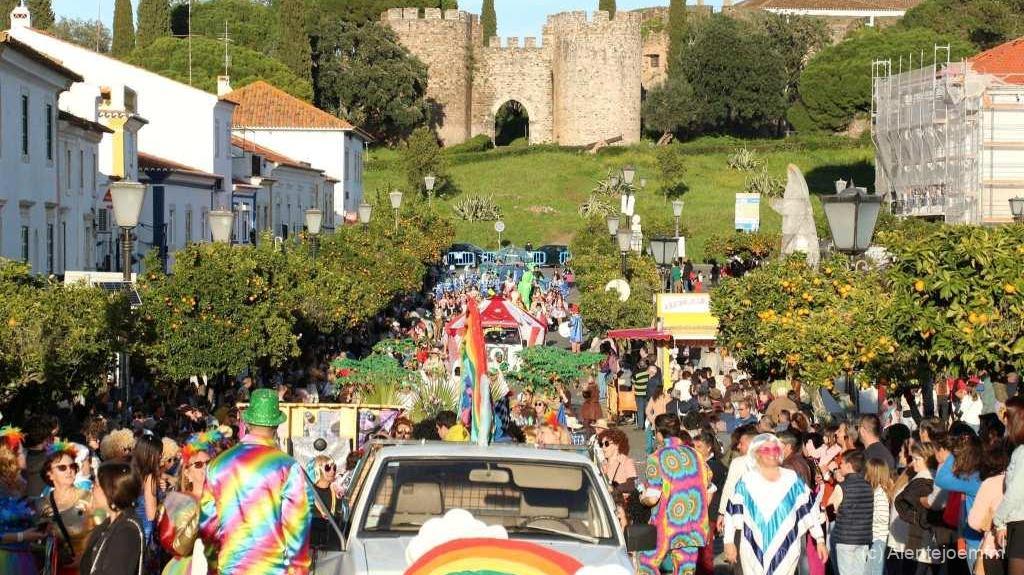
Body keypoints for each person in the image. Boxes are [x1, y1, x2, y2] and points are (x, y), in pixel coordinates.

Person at [200, 388, 314, 575]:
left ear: (247, 422)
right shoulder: (287, 467)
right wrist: (299, 569)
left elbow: (208, 526)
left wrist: (213, 565)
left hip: (229, 568)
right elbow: (297, 527)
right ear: (276, 426)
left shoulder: (218, 465)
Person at [723, 433, 827, 575]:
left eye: (775, 449)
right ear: (756, 454)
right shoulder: (746, 481)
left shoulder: (792, 479)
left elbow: (809, 510)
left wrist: (819, 539)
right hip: (752, 551)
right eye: (766, 450)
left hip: (787, 550)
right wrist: (728, 542)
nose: (772, 453)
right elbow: (731, 512)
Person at [638, 414, 711, 575]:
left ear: (658, 434)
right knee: (686, 570)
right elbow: (708, 483)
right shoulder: (696, 455)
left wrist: (642, 498)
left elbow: (652, 498)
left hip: (666, 525)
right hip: (693, 525)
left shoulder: (656, 458)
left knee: (647, 565)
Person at [157, 429, 224, 575]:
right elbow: (180, 547)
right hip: (188, 568)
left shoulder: (222, 497)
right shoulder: (181, 500)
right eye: (198, 465)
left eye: (208, 462)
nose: (205, 468)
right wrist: (205, 509)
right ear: (187, 473)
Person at [79, 461, 145, 575]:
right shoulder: (109, 522)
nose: (92, 488)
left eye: (96, 485)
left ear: (111, 491)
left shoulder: (126, 532)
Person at [38, 441, 94, 575]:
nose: (69, 470)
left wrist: (85, 557)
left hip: (85, 568)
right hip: (57, 569)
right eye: (62, 467)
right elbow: (37, 540)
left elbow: (105, 531)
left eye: (72, 466)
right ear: (49, 474)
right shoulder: (42, 504)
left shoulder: (90, 497)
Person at [0, 443, 46, 574]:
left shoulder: (21, 484)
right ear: (9, 458)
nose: (26, 455)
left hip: (25, 556)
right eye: (21, 452)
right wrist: (22, 536)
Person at [828, 450, 873, 575]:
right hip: (863, 538)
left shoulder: (842, 487)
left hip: (845, 538)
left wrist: (835, 518)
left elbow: (830, 507)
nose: (839, 467)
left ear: (848, 466)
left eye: (841, 464)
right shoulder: (869, 487)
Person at [994, 397, 1024, 575]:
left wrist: (998, 519)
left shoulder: (1021, 453)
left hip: (1020, 526)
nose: (1003, 420)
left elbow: (1015, 492)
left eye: (1006, 415)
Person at [693, 430, 726, 575]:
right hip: (706, 512)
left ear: (709, 447)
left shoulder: (712, 466)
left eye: (699, 447)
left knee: (705, 553)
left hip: (710, 512)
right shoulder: (707, 464)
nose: (696, 450)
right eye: (694, 447)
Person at [865, 458, 893, 575]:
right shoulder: (876, 491)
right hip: (875, 538)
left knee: (873, 571)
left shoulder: (880, 493)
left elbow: (883, 517)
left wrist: (866, 515)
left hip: (878, 539)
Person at [598, 429, 637, 498]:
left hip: (622, 502)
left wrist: (614, 489)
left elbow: (631, 485)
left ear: (617, 445)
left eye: (606, 444)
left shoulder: (626, 462)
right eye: (601, 444)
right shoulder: (602, 464)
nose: (603, 447)